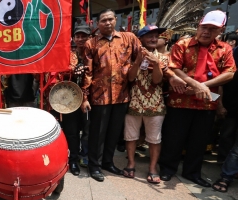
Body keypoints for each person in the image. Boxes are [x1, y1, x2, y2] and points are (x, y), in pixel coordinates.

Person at [159, 10, 236, 186]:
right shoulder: (183, 44)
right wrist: (195, 85)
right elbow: (173, 67)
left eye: (212, 29)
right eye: (203, 27)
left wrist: (203, 87)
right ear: (198, 26)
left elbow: (230, 73)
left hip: (206, 103)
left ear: (221, 30)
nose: (206, 32)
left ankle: (192, 172)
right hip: (179, 100)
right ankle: (167, 169)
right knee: (173, 138)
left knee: (199, 141)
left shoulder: (225, 49)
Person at [81, 9, 142, 182]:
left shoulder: (129, 38)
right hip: (100, 96)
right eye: (103, 20)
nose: (107, 23)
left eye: (110, 19)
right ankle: (95, 165)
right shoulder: (91, 44)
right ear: (97, 24)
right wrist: (85, 97)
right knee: (97, 133)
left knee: (114, 133)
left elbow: (141, 57)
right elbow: (87, 72)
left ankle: (108, 162)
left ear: (115, 20)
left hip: (122, 95)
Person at [123, 25, 172, 184]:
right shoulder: (131, 56)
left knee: (154, 138)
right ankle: (131, 163)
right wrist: (137, 61)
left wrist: (156, 64)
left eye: (156, 36)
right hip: (135, 102)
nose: (153, 39)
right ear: (141, 39)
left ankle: (152, 168)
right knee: (131, 136)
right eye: (149, 36)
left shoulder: (164, 58)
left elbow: (157, 81)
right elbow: (130, 78)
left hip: (155, 104)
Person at [60, 25, 91, 176]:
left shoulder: (94, 53)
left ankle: (84, 156)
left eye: (83, 36)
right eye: (77, 36)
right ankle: (73, 159)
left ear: (89, 37)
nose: (80, 39)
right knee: (71, 131)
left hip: (91, 99)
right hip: (70, 99)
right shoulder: (68, 54)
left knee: (87, 130)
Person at [217, 33, 238, 163]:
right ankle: (224, 161)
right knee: (227, 134)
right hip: (231, 104)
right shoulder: (233, 53)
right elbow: (223, 80)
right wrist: (220, 104)